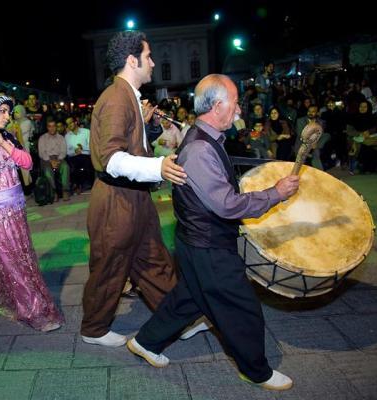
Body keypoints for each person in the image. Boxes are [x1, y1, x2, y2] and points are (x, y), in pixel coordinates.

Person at [127, 74, 299, 391]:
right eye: (234, 104)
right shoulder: (201, 151)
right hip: (208, 246)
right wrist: (274, 193)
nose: (239, 111)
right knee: (241, 308)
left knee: (190, 298)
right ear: (218, 105)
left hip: (195, 243)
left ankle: (145, 342)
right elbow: (227, 206)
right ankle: (256, 371)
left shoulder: (205, 139)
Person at [81, 30, 187, 348]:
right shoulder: (115, 98)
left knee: (154, 260)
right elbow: (112, 158)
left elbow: (131, 145)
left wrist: (149, 126)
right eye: (148, 56)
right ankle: (94, 329)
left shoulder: (127, 95)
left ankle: (180, 318)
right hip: (116, 202)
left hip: (134, 199)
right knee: (110, 266)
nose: (153, 62)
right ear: (132, 60)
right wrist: (158, 167)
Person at [0, 73, 63, 332]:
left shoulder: (8, 137)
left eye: (8, 112)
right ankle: (33, 311)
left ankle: (4, 291)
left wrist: (6, 145)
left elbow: (27, 163)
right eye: (2, 111)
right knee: (13, 263)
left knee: (23, 258)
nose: (7, 116)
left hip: (17, 211)